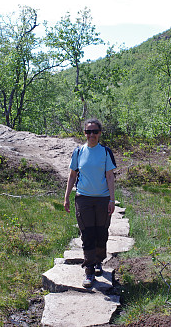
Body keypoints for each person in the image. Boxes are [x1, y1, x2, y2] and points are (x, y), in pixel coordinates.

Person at [64, 118, 116, 288]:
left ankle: (99, 261)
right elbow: (72, 175)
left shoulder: (105, 152)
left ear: (100, 133)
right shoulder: (78, 152)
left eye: (94, 131)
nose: (91, 135)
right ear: (84, 133)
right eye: (88, 132)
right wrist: (66, 198)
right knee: (87, 234)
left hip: (102, 199)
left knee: (101, 233)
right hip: (83, 198)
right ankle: (89, 271)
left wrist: (111, 199)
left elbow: (109, 176)